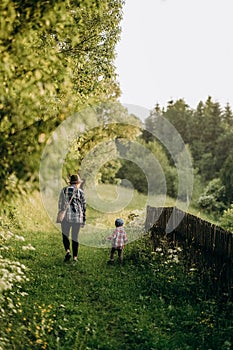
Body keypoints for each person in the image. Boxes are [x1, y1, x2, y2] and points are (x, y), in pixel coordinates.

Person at [58, 174, 86, 263]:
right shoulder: (80, 192)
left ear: (70, 182)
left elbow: (60, 204)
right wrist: (83, 220)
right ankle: (75, 257)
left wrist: (61, 213)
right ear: (77, 183)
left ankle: (67, 251)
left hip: (66, 217)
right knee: (75, 237)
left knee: (65, 235)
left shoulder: (64, 190)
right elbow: (83, 207)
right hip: (77, 218)